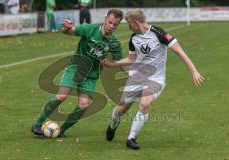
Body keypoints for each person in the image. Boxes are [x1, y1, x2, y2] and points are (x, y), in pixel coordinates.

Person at [102, 9, 204, 150]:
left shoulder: (159, 33)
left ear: (136, 22)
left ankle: (131, 139)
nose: (129, 27)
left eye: (130, 25)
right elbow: (131, 59)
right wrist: (113, 64)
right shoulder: (134, 38)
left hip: (156, 78)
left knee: (144, 104)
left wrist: (193, 71)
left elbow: (180, 52)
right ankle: (113, 126)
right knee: (121, 110)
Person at [31, 8, 124, 138]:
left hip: (91, 76)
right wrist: (66, 27)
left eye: (115, 24)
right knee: (62, 96)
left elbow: (121, 62)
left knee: (83, 105)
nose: (111, 26)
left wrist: (113, 64)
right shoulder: (89, 29)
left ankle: (61, 131)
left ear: (119, 25)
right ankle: (37, 124)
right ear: (105, 19)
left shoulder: (114, 44)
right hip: (76, 68)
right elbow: (66, 32)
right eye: (110, 22)